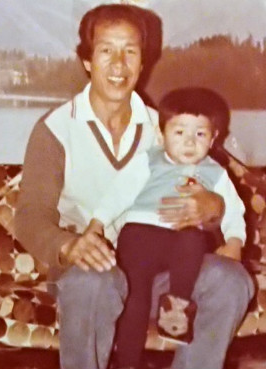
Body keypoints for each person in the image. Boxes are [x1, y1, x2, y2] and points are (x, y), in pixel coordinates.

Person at [14, 4, 254, 369]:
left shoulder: (168, 129)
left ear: (143, 63)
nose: (119, 64)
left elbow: (214, 189)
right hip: (89, 271)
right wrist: (69, 245)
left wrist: (214, 210)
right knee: (94, 282)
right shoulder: (55, 129)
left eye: (131, 51)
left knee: (231, 281)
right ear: (87, 61)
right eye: (106, 50)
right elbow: (30, 217)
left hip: (162, 268)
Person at [83, 88, 245, 366]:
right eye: (179, 132)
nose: (189, 143)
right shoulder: (149, 160)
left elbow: (233, 210)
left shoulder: (216, 173)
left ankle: (177, 306)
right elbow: (118, 194)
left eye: (200, 134)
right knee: (136, 299)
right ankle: (127, 364)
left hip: (179, 243)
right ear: (162, 134)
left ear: (214, 138)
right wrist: (96, 223)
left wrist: (234, 241)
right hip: (140, 237)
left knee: (192, 238)